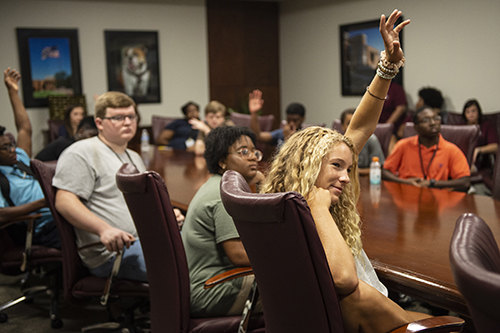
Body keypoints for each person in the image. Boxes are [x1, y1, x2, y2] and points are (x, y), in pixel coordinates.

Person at [261, 10, 431, 332]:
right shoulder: (310, 211)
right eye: (336, 166)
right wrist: (318, 204)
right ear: (307, 167)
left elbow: (360, 129)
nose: (344, 176)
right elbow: (342, 278)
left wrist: (387, 67)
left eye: (348, 168)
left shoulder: (281, 207)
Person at [53, 91, 149, 282]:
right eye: (118, 118)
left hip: (144, 240)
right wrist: (104, 229)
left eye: (131, 116)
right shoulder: (82, 152)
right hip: (113, 253)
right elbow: (64, 201)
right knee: (181, 271)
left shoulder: (134, 156)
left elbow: (143, 202)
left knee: (202, 254)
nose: (128, 122)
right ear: (99, 123)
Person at [181, 126, 264, 317]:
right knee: (299, 290)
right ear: (222, 161)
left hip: (209, 284)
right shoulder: (224, 195)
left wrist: (258, 179)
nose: (252, 157)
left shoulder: (218, 184)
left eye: (254, 151)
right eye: (243, 152)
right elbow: (238, 255)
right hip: (212, 290)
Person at [0, 67, 59, 248]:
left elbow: (24, 128)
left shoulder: (19, 158)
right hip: (41, 228)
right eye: (4, 148)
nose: (12, 149)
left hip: (61, 213)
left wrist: (13, 92)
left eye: (10, 144)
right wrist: (42, 203)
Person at [383, 105, 471, 192]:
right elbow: (385, 172)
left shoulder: (451, 149)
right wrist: (405, 182)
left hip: (437, 200)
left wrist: (431, 183)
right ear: (416, 127)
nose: (433, 123)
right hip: (406, 196)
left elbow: (465, 182)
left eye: (436, 118)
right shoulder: (403, 145)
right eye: (426, 120)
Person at [340, 108, 385, 175]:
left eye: (357, 123)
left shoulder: (371, 140)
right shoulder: (338, 142)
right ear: (342, 126)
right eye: (349, 123)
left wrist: (354, 171)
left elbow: (379, 169)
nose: (353, 127)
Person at [462, 99, 498, 173]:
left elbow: (495, 146)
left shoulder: (486, 125)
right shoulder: (460, 127)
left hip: (477, 162)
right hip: (459, 158)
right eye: (467, 112)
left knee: (462, 171)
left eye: (473, 111)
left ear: (478, 112)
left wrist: (478, 150)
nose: (471, 114)